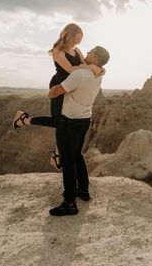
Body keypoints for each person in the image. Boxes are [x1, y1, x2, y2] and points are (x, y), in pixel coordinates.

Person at [48, 45, 110, 216]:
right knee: (77, 156)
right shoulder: (98, 74)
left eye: (90, 52)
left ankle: (69, 203)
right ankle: (83, 190)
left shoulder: (79, 75)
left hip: (69, 121)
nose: (87, 53)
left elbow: (56, 92)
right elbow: (91, 68)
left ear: (96, 59)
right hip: (84, 120)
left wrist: (52, 90)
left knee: (67, 162)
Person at [13, 23, 103, 130]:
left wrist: (100, 68)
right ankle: (23, 120)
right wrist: (92, 67)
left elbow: (86, 65)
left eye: (81, 39)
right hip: (60, 83)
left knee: (65, 118)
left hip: (72, 85)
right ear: (70, 36)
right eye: (78, 38)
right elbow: (70, 69)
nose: (79, 42)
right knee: (56, 120)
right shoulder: (58, 51)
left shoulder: (77, 50)